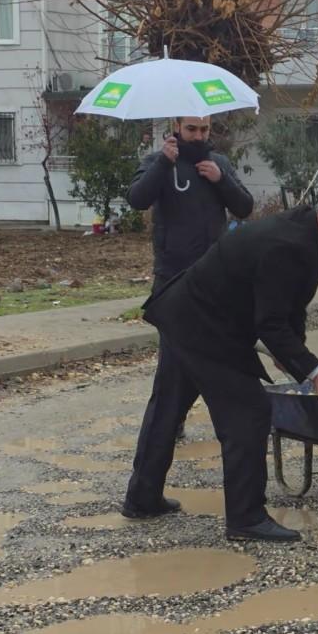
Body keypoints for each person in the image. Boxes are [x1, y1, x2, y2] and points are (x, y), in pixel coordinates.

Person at [121, 190, 318, 542]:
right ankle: (246, 518)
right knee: (248, 411)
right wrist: (317, 371)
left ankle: (142, 497)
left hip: (186, 313)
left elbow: (290, 304)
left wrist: (294, 354)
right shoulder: (289, 245)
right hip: (204, 324)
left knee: (168, 406)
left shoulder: (308, 239)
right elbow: (270, 324)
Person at [128, 116, 254, 441]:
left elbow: (244, 206)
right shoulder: (158, 162)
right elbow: (137, 198)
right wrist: (162, 164)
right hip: (173, 280)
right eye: (191, 130)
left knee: (218, 355)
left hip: (214, 279)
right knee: (173, 361)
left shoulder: (218, 163)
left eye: (204, 130)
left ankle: (230, 423)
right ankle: (168, 424)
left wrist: (220, 179)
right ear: (176, 127)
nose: (198, 136)